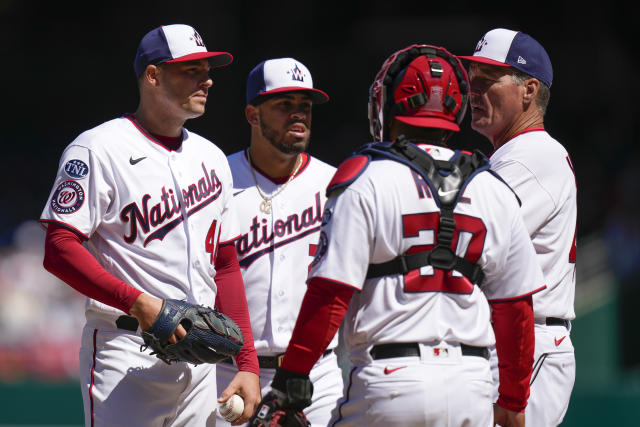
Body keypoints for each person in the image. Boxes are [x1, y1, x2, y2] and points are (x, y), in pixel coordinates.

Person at [250, 44, 546, 427]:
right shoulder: (493, 186)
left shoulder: (364, 176)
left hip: (389, 382)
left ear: (389, 105)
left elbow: (330, 294)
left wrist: (291, 381)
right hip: (471, 385)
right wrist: (513, 400)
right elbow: (516, 309)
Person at [40, 24, 261, 426]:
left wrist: (246, 362)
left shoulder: (211, 158)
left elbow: (225, 264)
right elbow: (59, 247)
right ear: (153, 76)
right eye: (191, 69)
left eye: (207, 69)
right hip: (126, 349)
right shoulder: (98, 148)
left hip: (201, 360)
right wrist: (140, 303)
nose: (207, 79)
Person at [459, 28, 577, 427]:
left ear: (528, 90)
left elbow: (472, 245)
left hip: (532, 344)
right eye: (472, 77)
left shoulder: (531, 155)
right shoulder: (512, 155)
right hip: (509, 340)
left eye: (487, 80)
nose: (473, 89)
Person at [216, 57, 343, 426]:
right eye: (284, 105)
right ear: (253, 114)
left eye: (305, 106)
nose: (298, 115)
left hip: (316, 374)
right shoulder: (218, 180)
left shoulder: (334, 184)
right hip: (229, 371)